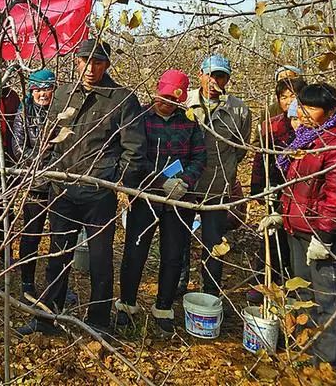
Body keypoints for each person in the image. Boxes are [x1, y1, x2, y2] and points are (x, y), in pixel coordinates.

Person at [17, 38, 148, 336]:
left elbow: (134, 150)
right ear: (77, 61)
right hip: (62, 190)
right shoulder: (63, 94)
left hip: (98, 194)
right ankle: (47, 318)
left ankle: (99, 322)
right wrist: (43, 177)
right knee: (57, 256)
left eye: (98, 62)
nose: (91, 69)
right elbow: (48, 143)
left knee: (100, 261)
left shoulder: (121, 99)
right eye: (86, 61)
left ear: (107, 65)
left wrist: (119, 182)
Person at [268, 84, 336, 368]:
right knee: (304, 293)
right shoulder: (307, 139)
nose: (304, 113)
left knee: (329, 300)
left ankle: (327, 365)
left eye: (312, 108)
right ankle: (307, 350)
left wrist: (325, 235)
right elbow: (300, 186)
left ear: (330, 110)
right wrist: (281, 213)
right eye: (302, 106)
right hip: (298, 228)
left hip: (322, 235)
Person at [116, 70, 207, 335]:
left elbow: (200, 158)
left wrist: (185, 182)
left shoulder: (190, 123)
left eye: (171, 99)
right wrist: (155, 181)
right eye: (162, 96)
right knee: (135, 252)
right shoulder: (140, 118)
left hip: (180, 199)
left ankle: (164, 308)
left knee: (173, 254)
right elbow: (132, 154)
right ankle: (127, 305)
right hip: (145, 196)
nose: (165, 102)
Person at [179, 54, 252, 297]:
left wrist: (226, 171)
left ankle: (210, 290)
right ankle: (178, 285)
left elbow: (240, 150)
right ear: (200, 74)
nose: (214, 81)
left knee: (214, 244)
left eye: (220, 76)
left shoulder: (238, 110)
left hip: (217, 188)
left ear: (227, 79)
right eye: (209, 75)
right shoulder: (185, 101)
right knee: (179, 239)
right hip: (185, 185)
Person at [247, 76, 306, 302]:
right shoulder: (271, 127)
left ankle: (291, 287)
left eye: (294, 96)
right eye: (284, 97)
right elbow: (260, 159)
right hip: (276, 188)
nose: (289, 101)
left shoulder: (311, 126)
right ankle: (263, 283)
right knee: (271, 238)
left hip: (300, 192)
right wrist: (259, 189)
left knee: (295, 242)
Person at [11, 68, 61, 301]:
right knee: (31, 235)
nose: (43, 94)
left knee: (59, 237)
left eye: (48, 89)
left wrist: (53, 162)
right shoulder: (23, 112)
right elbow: (19, 149)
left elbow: (65, 147)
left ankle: (56, 286)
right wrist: (40, 160)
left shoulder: (61, 112)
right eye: (38, 89)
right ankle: (27, 283)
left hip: (59, 184)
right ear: (31, 91)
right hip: (35, 183)